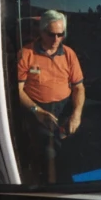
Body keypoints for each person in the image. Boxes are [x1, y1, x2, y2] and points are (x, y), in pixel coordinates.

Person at [18, 10, 85, 179]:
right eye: (51, 34)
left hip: (64, 108)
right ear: (41, 32)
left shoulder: (69, 54)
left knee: (67, 151)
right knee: (45, 153)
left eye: (60, 34)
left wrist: (76, 115)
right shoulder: (27, 54)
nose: (56, 40)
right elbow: (18, 90)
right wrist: (37, 111)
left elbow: (79, 87)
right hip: (37, 108)